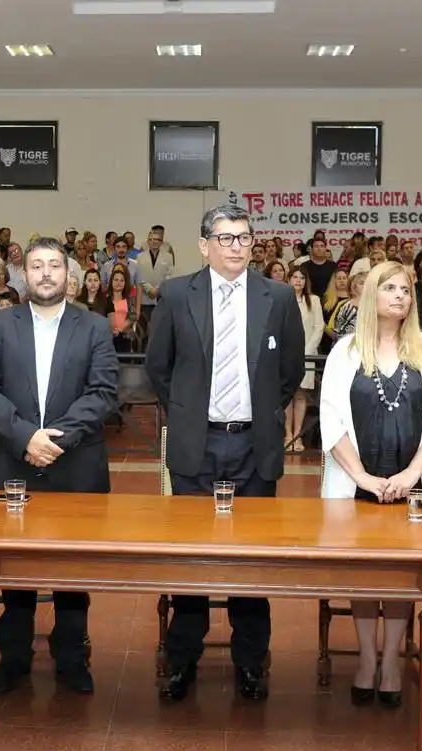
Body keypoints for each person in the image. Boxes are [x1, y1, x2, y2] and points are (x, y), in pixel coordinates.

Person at [144, 203, 305, 702]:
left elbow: (291, 372)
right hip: (198, 441)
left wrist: (256, 413)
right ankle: (182, 660)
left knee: (251, 563)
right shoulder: (176, 293)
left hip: (254, 443)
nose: (236, 246)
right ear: (204, 244)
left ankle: (252, 662)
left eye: (243, 237)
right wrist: (189, 411)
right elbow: (158, 367)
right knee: (191, 561)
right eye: (225, 237)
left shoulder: (276, 296)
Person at [0, 237, 118, 695]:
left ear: (68, 275)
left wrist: (54, 439)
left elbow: (104, 391)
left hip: (74, 466)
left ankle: (71, 655)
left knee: (73, 572)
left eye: (55, 265)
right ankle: (13, 656)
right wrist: (24, 437)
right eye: (37, 266)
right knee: (12, 573)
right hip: (10, 465)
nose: (47, 273)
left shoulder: (94, 326)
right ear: (25, 275)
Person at [319, 261, 422, 707]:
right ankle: (365, 657)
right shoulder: (345, 351)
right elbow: (331, 421)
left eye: (406, 289)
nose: (400, 295)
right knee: (365, 574)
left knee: (401, 577)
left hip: (413, 487)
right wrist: (362, 477)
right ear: (371, 295)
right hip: (357, 484)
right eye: (390, 287)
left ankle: (393, 660)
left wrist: (409, 475)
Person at [288, 264, 325, 452]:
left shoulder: (314, 300)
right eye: (295, 277)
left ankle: (297, 436)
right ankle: (287, 435)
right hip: (286, 354)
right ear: (289, 279)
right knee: (287, 396)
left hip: (307, 354)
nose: (298, 281)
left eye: (302, 278)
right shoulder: (283, 298)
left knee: (301, 395)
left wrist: (307, 350)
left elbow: (319, 327)